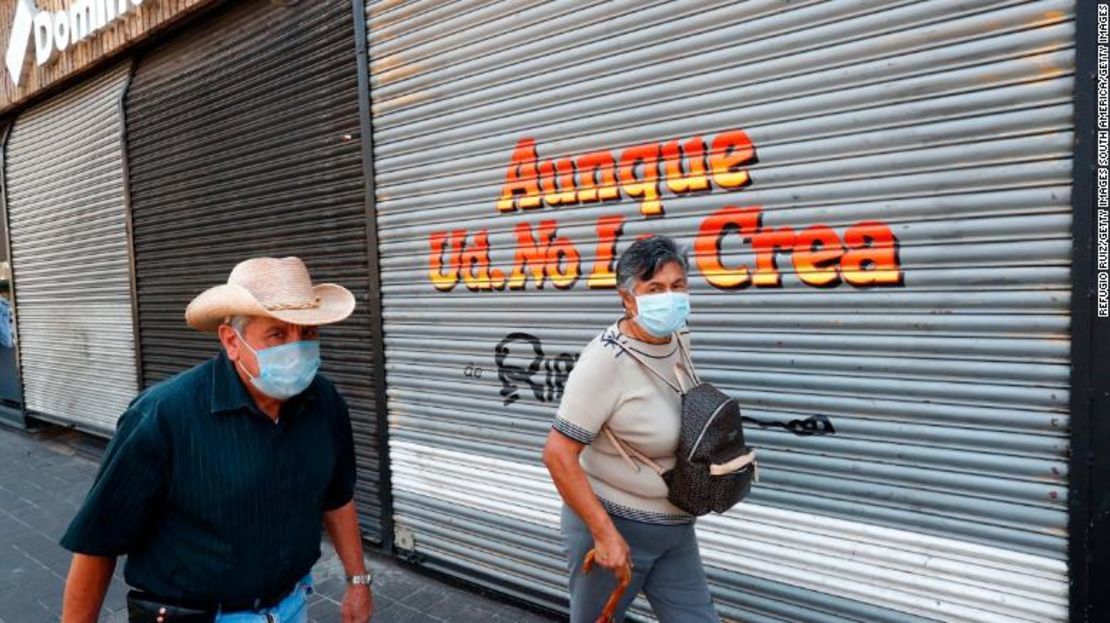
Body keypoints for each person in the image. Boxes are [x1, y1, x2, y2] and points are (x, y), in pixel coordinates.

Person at [59, 257, 374, 623]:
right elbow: (98, 542)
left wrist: (357, 581)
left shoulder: (324, 402)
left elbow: (337, 496)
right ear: (231, 341)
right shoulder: (163, 416)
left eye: (307, 333)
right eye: (278, 334)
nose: (297, 347)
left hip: (291, 607)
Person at [543, 235, 720, 622]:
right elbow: (558, 454)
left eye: (677, 286)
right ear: (627, 299)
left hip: (675, 527)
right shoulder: (606, 361)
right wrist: (604, 534)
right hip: (615, 527)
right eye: (654, 288)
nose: (670, 297)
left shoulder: (677, 338)